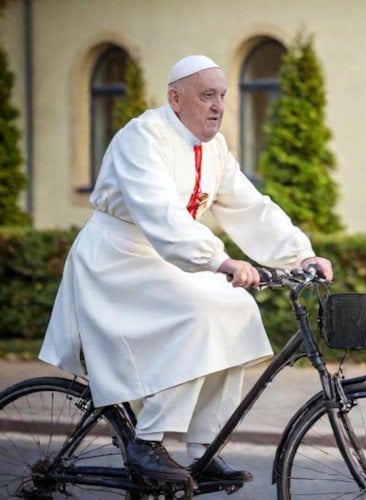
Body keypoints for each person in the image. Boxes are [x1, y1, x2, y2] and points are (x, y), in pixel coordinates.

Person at [39, 54, 333, 486]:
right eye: (206, 96)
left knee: (236, 310)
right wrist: (220, 260)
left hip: (166, 258)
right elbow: (159, 213)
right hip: (117, 258)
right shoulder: (143, 136)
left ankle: (202, 448)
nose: (217, 106)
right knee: (200, 315)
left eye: (222, 96)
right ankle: (147, 441)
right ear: (175, 99)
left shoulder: (215, 147)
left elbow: (251, 207)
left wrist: (300, 254)